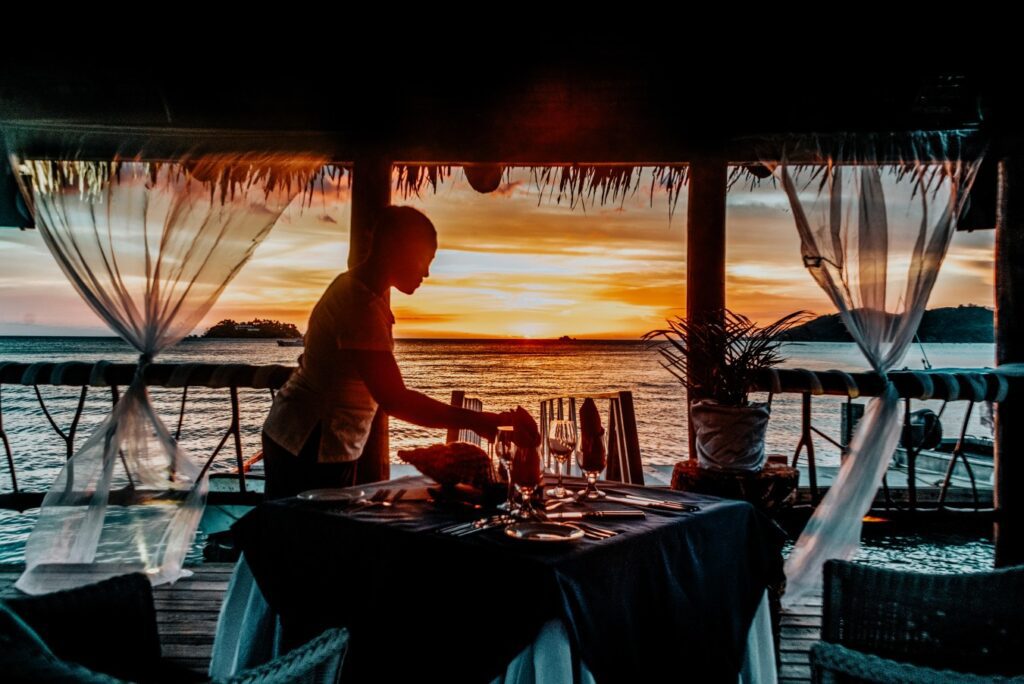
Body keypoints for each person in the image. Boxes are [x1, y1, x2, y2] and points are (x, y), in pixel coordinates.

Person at [261, 205, 506, 499]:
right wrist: (480, 421)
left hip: (311, 437)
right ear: (396, 248)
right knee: (307, 537)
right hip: (310, 441)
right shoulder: (359, 304)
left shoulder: (353, 289)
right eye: (424, 260)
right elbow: (395, 400)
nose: (426, 273)